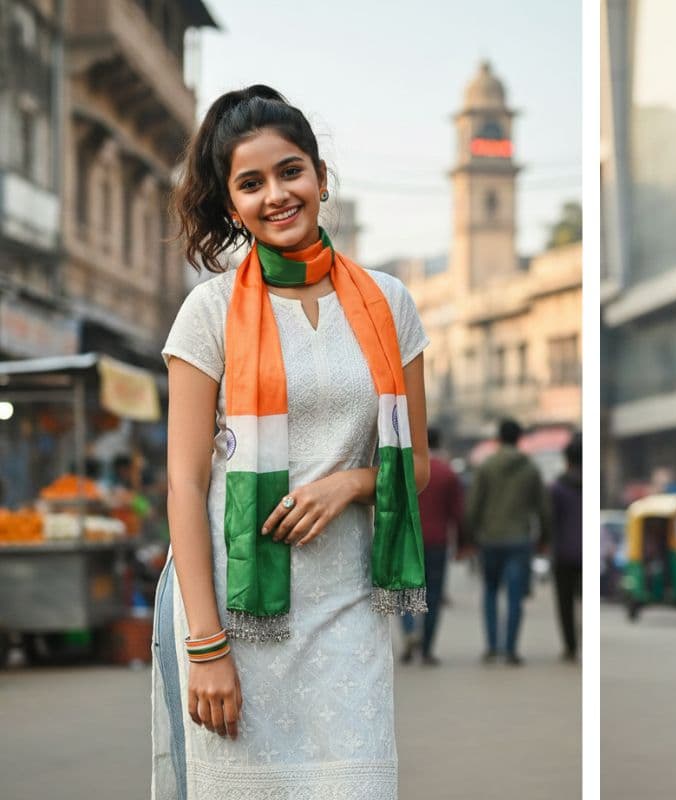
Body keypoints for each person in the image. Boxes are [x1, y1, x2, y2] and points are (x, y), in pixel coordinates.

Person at [151, 85, 430, 799]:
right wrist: (205, 645)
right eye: (251, 183)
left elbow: (417, 465)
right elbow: (184, 482)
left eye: (290, 171)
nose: (276, 194)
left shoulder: (390, 303)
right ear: (230, 202)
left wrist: (351, 483)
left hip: (348, 606)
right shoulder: (208, 312)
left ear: (320, 177)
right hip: (237, 612)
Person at [466, 418, 550, 665]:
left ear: (499, 439)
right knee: (515, 596)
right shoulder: (531, 469)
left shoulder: (486, 467)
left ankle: (492, 646)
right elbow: (543, 508)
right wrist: (545, 538)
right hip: (519, 541)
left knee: (490, 591)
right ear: (520, 439)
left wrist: (471, 536)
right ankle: (511, 648)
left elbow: (472, 507)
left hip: (490, 540)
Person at [400, 426, 464, 666]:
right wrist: (463, 544)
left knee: (405, 591)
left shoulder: (407, 469)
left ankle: (409, 631)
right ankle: (426, 649)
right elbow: (458, 513)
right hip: (437, 542)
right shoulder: (447, 473)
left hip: (408, 540)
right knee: (433, 596)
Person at [550, 433, 582, 661]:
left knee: (565, 603)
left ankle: (570, 646)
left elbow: (549, 519)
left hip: (563, 553)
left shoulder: (557, 488)